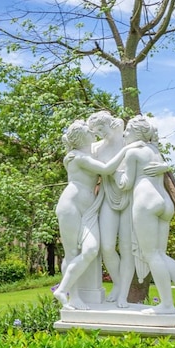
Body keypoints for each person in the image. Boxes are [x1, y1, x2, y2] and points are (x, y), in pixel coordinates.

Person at [53, 120, 141, 310]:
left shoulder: (86, 153)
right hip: (71, 205)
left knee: (92, 250)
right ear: (80, 136)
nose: (92, 131)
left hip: (89, 210)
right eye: (88, 129)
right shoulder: (76, 156)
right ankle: (71, 295)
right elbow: (107, 169)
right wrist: (128, 149)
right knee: (71, 253)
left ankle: (64, 289)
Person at [116, 116, 175, 314]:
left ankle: (167, 305)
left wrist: (116, 173)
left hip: (146, 202)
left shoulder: (133, 152)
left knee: (151, 255)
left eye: (127, 130)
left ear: (136, 133)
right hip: (164, 203)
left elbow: (126, 183)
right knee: (160, 254)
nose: (124, 134)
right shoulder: (155, 151)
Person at [88, 111, 135, 308]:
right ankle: (117, 283)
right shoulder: (97, 148)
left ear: (110, 124)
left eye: (101, 128)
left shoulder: (129, 143)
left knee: (126, 248)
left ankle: (123, 292)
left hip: (130, 197)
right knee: (106, 246)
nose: (99, 134)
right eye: (95, 131)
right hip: (108, 195)